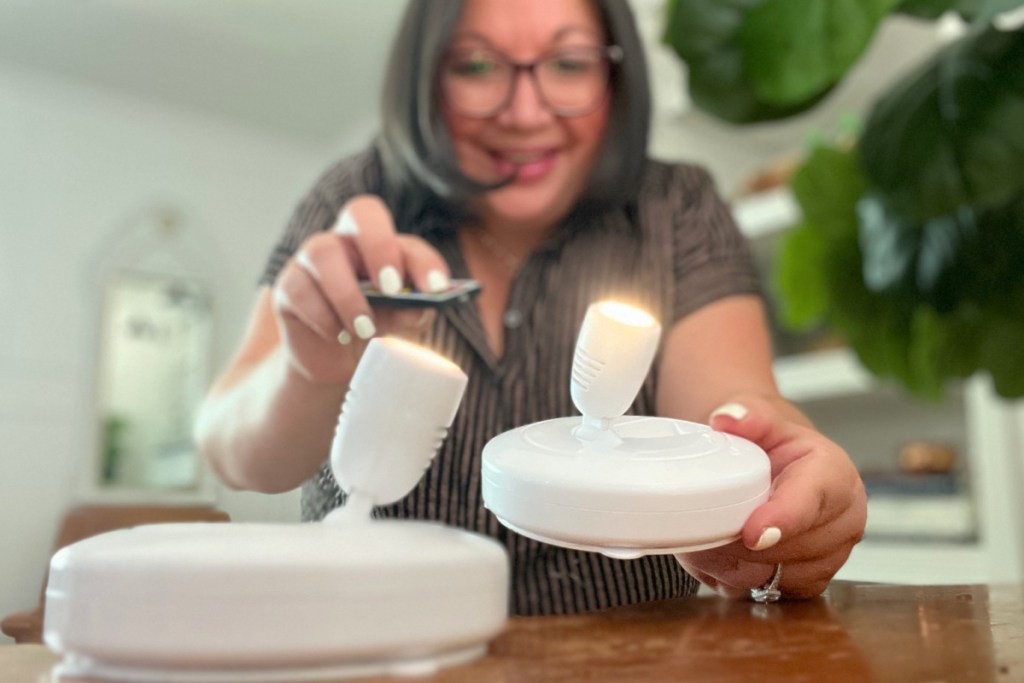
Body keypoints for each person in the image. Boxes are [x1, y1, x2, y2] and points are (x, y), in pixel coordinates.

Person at [194, 0, 867, 616]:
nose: (523, 112)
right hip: (369, 645)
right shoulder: (357, 193)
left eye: (568, 63)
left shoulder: (676, 209)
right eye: (478, 65)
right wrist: (308, 368)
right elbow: (234, 449)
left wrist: (782, 474)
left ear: (614, 77)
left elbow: (733, 410)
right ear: (427, 77)